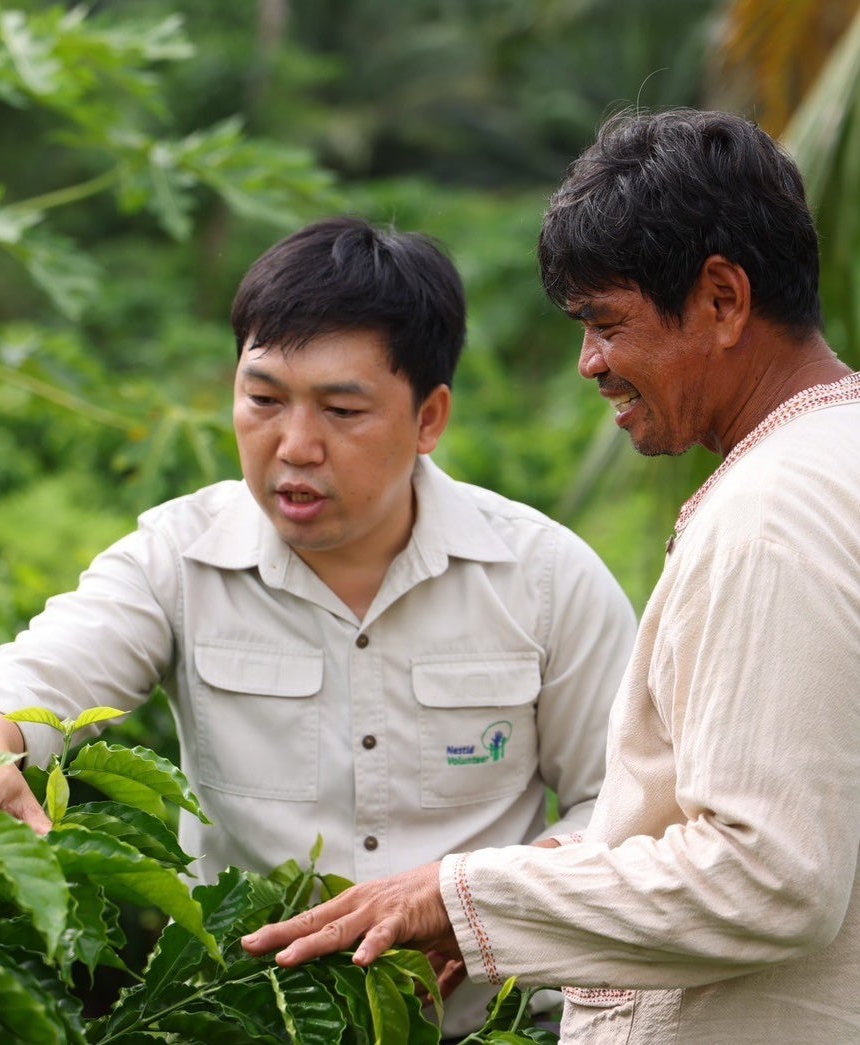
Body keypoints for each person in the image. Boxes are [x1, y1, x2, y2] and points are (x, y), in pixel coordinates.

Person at [0, 215, 636, 1037]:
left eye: (342, 409)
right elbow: (36, 675)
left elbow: (625, 804)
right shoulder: (177, 559)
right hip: (245, 1021)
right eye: (263, 399)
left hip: (492, 1026)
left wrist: (476, 903)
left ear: (429, 418)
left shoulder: (543, 577)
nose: (294, 446)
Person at [242, 110, 860, 1043]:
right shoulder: (832, 459)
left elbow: (769, 879)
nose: (589, 364)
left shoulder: (769, 515)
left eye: (606, 324)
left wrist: (461, 895)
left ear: (722, 299)